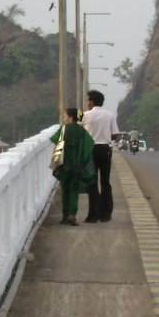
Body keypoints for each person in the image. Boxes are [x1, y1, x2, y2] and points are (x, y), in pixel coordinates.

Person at [49, 108, 95, 226]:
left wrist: (55, 162)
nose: (64, 119)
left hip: (65, 165)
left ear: (70, 117)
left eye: (65, 116)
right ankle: (72, 215)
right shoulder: (82, 131)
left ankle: (65, 215)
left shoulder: (64, 129)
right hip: (77, 165)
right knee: (74, 190)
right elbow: (88, 146)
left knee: (65, 189)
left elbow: (57, 144)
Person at [82, 89, 119, 223]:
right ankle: (106, 213)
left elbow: (80, 132)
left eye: (88, 100)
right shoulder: (109, 115)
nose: (87, 103)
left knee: (92, 182)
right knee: (105, 182)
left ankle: (93, 214)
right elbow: (115, 134)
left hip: (90, 150)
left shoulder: (85, 116)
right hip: (105, 149)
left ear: (91, 101)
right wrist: (104, 135)